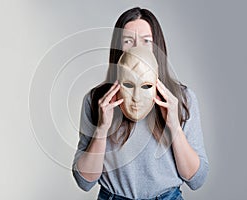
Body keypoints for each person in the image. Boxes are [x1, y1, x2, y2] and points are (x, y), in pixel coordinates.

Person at [72, 7, 209, 200]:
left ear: (157, 46)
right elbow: (84, 181)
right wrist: (102, 129)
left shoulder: (183, 98)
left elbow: (197, 179)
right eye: (128, 41)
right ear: (118, 48)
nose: (138, 48)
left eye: (146, 41)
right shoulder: (97, 101)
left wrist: (174, 127)